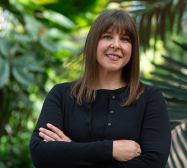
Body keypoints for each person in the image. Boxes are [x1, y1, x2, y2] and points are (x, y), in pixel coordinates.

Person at [29, 9, 171, 168]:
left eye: (125, 39)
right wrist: (110, 150)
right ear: (93, 42)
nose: (116, 45)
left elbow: (154, 163)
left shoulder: (150, 98)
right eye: (107, 36)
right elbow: (40, 154)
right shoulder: (61, 95)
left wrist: (71, 149)